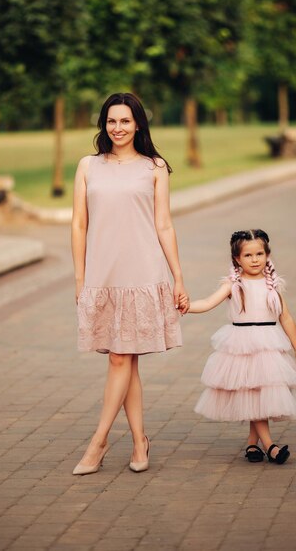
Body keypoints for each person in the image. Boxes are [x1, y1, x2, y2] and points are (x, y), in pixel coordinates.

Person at [71, 92, 189, 475]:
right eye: (111, 121)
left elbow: (164, 224)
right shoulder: (88, 166)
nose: (117, 128)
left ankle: (99, 441)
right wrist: (80, 278)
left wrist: (178, 278)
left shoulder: (154, 167)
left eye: (125, 121)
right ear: (103, 124)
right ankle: (140, 441)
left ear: (139, 123)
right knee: (126, 360)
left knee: (122, 357)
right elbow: (79, 224)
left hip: (143, 272)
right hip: (103, 275)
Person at [188, 229, 296, 464]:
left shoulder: (273, 285)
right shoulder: (234, 285)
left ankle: (253, 445)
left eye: (259, 254)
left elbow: (286, 318)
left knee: (259, 395)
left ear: (267, 254)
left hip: (268, 346)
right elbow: (208, 302)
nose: (255, 260)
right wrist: (185, 306)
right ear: (237, 259)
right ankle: (270, 446)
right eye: (248, 255)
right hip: (243, 346)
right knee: (255, 394)